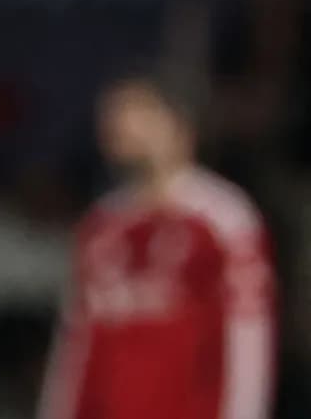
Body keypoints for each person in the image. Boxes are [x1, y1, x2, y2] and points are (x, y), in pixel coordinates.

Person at [37, 77, 275, 419]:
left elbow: (248, 339)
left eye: (137, 110)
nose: (120, 123)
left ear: (180, 124)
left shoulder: (224, 218)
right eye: (113, 113)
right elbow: (74, 345)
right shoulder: (102, 224)